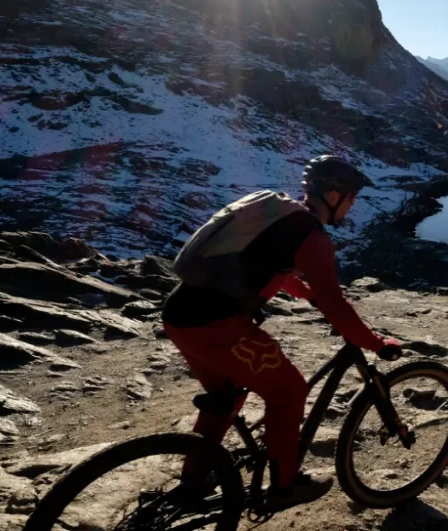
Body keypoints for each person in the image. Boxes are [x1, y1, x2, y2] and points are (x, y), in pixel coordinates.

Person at [162, 155, 402, 511]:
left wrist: (306, 293)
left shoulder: (282, 214)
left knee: (224, 396)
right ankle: (285, 486)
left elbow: (260, 263)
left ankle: (193, 482)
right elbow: (336, 306)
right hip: (218, 326)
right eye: (351, 198)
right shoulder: (314, 238)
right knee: (289, 391)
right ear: (333, 195)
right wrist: (376, 344)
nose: (352, 206)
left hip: (180, 314)